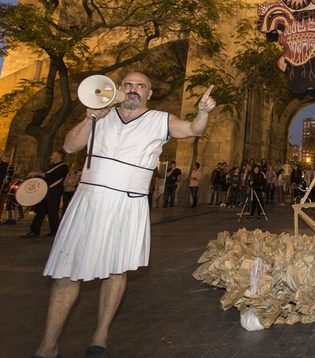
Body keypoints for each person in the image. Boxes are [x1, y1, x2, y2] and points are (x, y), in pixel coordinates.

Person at [30, 72, 215, 358]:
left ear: (149, 94)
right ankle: (48, 345)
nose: (133, 90)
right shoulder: (99, 116)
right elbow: (69, 146)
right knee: (67, 272)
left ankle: (100, 337)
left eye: (140, 86)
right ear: (118, 89)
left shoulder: (160, 120)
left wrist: (202, 112)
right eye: (128, 85)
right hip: (89, 201)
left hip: (128, 204)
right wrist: (91, 116)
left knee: (117, 271)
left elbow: (193, 129)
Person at [20, 150, 69, 238]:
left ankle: (54, 232)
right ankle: (34, 231)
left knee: (52, 212)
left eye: (53, 155)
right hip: (45, 191)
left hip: (54, 192)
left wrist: (37, 173)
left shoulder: (63, 167)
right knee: (40, 211)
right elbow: (43, 175)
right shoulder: (51, 166)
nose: (51, 156)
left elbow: (49, 175)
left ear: (59, 156)